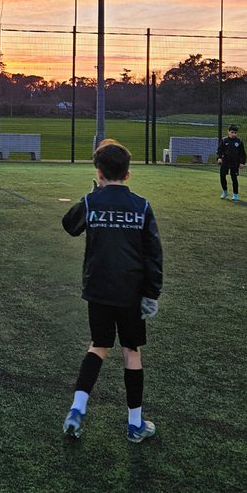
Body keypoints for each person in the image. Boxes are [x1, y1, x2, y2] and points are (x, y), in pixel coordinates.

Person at [61, 139, 163, 443]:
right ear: (128, 174)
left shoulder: (93, 202)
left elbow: (69, 225)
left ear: (98, 171)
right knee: (131, 351)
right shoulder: (141, 206)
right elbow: (153, 254)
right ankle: (135, 425)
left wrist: (91, 196)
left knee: (99, 345)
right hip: (131, 291)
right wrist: (152, 293)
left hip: (99, 289)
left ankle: (77, 408)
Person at [217, 123, 247, 201]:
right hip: (225, 162)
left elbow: (242, 153)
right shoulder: (224, 140)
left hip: (235, 163)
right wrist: (219, 158)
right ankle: (225, 191)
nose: (233, 134)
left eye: (235, 133)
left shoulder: (239, 141)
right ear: (228, 132)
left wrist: (242, 163)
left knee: (234, 178)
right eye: (232, 132)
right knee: (222, 176)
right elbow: (219, 150)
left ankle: (235, 194)